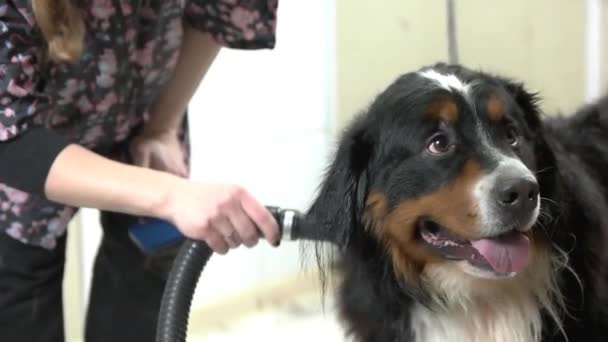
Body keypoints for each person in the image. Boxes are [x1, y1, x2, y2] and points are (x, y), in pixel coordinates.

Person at [0, 0, 281, 341]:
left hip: (144, 117)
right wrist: (171, 196)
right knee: (20, 309)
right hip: (20, 163)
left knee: (142, 303)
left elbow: (223, 12)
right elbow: (9, 134)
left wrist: (163, 126)